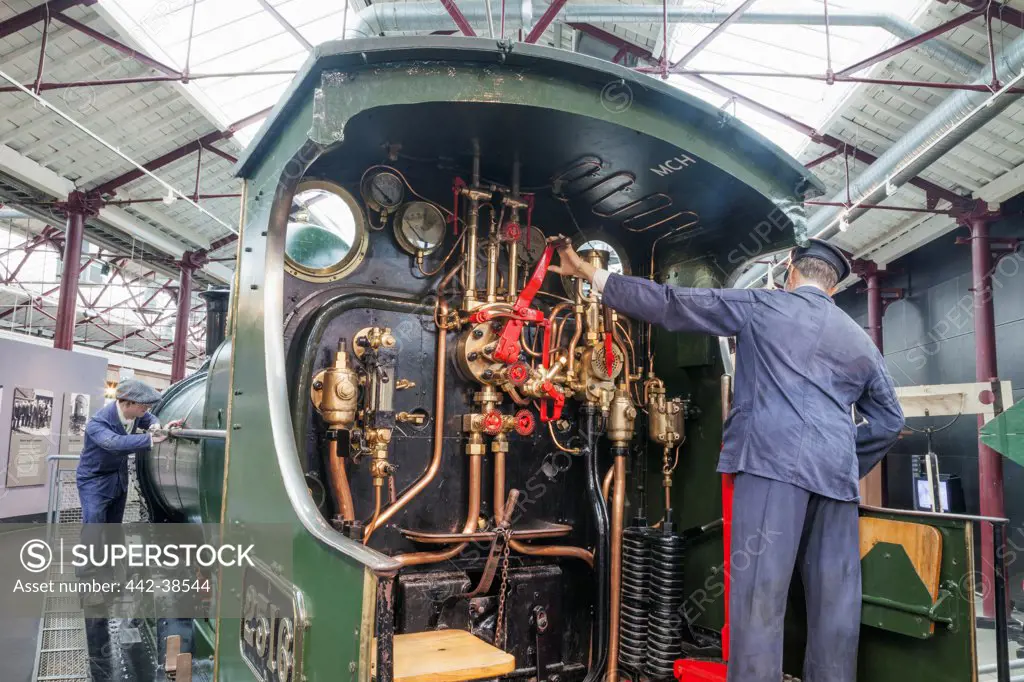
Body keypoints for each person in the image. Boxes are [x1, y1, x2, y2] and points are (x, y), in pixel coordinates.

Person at [550, 237, 905, 682]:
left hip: (772, 468)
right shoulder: (860, 340)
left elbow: (672, 303)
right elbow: (890, 421)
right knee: (836, 613)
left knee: (759, 603)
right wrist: (843, 462)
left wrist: (593, 275)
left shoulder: (764, 306)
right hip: (836, 482)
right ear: (832, 288)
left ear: (791, 271)